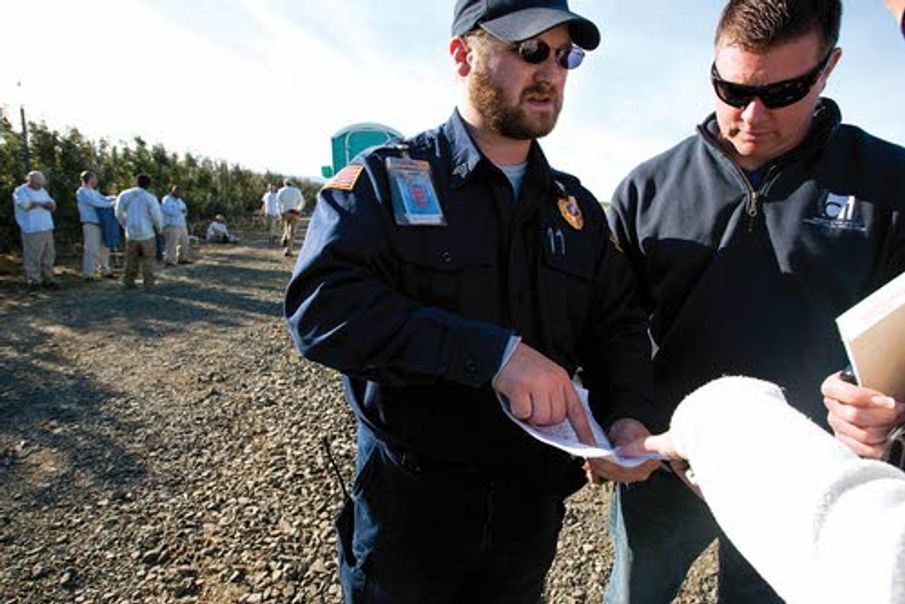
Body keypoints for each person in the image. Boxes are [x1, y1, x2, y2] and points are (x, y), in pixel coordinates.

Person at [284, 2, 661, 602]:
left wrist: (627, 417)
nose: (551, 72)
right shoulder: (385, 181)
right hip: (411, 512)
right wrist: (494, 356)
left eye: (566, 56)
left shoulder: (578, 210)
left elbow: (617, 324)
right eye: (529, 50)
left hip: (527, 516)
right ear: (462, 54)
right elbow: (322, 308)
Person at [597, 1, 905, 602]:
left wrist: (891, 413)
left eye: (784, 91)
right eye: (731, 89)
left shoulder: (891, 184)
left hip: (801, 478)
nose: (751, 115)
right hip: (664, 465)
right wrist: (616, 414)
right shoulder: (645, 188)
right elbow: (611, 327)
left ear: (828, 69)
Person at [620, 376, 905, 604]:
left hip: (792, 460)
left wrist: (712, 420)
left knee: (752, 589)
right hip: (669, 452)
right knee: (643, 580)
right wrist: (619, 410)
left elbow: (881, 570)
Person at [115, 174, 163, 289]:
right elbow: (156, 215)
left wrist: (124, 224)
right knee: (148, 259)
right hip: (147, 233)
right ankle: (148, 282)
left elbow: (118, 212)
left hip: (131, 233)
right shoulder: (150, 197)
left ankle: (129, 281)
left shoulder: (124, 195)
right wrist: (159, 228)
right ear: (148, 185)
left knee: (131, 258)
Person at [12, 170, 58, 290]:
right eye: (37, 183)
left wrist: (44, 204)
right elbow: (26, 205)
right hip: (32, 228)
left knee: (48, 254)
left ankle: (48, 279)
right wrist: (42, 204)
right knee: (33, 255)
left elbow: (52, 205)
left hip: (47, 226)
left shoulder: (43, 191)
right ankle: (34, 281)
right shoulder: (20, 191)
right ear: (30, 181)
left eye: (40, 183)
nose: (39, 186)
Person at [76, 170, 114, 280]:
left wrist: (114, 198)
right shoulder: (82, 191)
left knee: (104, 248)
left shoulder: (93, 191)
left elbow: (103, 199)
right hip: (90, 223)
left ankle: (105, 270)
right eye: (95, 178)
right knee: (91, 249)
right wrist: (111, 204)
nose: (96, 180)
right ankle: (88, 274)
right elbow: (97, 203)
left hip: (101, 223)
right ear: (90, 179)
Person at [161, 185, 191, 266]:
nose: (180, 193)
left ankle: (182, 258)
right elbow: (168, 211)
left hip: (181, 225)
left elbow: (185, 211)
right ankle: (169, 260)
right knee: (172, 244)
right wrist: (180, 211)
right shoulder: (167, 199)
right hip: (171, 225)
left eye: (181, 191)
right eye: (178, 191)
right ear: (173, 191)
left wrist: (181, 211)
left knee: (185, 242)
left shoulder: (180, 201)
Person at [275, 178, 304, 256]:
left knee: (286, 228)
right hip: (294, 212)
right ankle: (289, 250)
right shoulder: (297, 190)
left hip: (285, 212)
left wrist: (279, 212)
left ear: (285, 183)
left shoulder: (281, 191)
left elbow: (278, 203)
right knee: (292, 232)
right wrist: (299, 209)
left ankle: (284, 238)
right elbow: (302, 201)